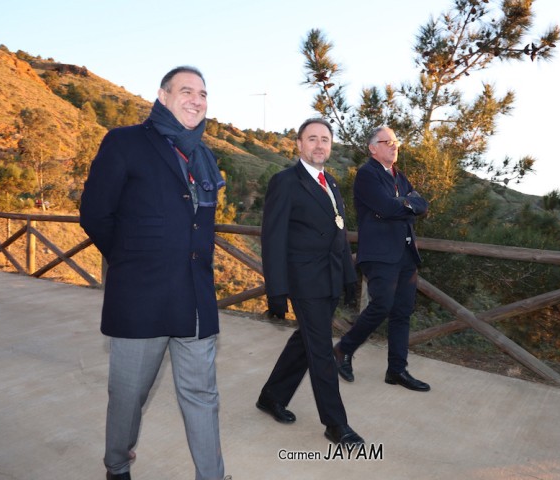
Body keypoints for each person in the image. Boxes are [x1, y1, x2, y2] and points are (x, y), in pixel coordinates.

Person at [80, 66, 226, 480]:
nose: (196, 100)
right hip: (141, 298)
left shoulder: (204, 156)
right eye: (186, 91)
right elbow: (95, 213)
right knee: (128, 396)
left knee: (202, 395)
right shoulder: (125, 142)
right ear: (163, 97)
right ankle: (117, 465)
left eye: (203, 93)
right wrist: (131, 261)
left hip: (195, 298)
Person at [256, 118, 364, 446]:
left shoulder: (330, 182)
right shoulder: (285, 182)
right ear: (299, 144)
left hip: (330, 277)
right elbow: (273, 238)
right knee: (320, 350)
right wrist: (276, 290)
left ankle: (272, 397)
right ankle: (335, 424)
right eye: (312, 138)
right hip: (304, 281)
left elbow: (339, 233)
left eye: (325, 139)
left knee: (305, 340)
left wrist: (349, 278)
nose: (319, 145)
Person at [333, 126, 431, 392]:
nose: (394, 145)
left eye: (396, 141)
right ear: (372, 148)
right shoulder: (367, 174)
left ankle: (397, 370)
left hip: (406, 254)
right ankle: (342, 350)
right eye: (387, 141)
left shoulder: (400, 176)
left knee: (402, 312)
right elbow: (387, 208)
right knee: (382, 305)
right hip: (379, 254)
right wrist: (407, 204)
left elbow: (422, 205)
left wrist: (404, 204)